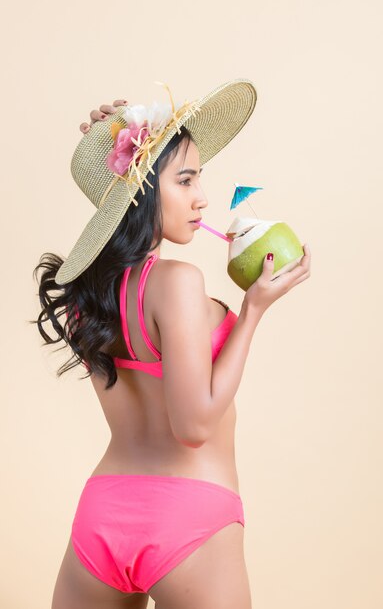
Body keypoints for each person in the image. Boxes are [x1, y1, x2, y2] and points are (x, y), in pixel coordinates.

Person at [33, 80, 311, 609]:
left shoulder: (84, 299)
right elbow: (193, 424)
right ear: (139, 192)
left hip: (101, 517)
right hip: (190, 517)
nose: (202, 197)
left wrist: (111, 145)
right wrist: (251, 312)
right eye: (184, 180)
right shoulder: (177, 282)